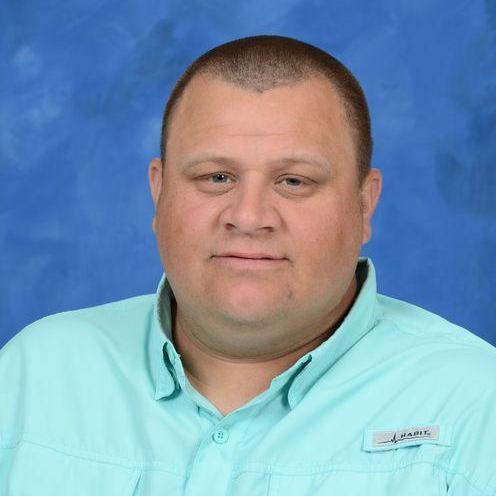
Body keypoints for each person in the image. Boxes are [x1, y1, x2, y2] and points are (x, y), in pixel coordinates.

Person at [1, 35, 495, 496]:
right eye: (216, 177)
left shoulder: (474, 405)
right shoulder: (33, 375)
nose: (249, 216)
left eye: (294, 181)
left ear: (364, 205)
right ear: (158, 191)